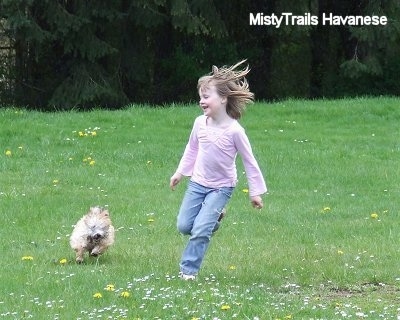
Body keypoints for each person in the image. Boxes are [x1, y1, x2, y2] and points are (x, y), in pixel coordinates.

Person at [169, 60, 267, 280]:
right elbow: (192, 148)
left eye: (206, 97)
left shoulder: (235, 131)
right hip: (197, 183)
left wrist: (255, 192)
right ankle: (215, 218)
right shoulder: (199, 123)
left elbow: (249, 161)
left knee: (201, 230)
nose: (201, 101)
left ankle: (188, 271)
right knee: (185, 226)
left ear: (223, 98)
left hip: (221, 187)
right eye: (201, 97)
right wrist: (180, 173)